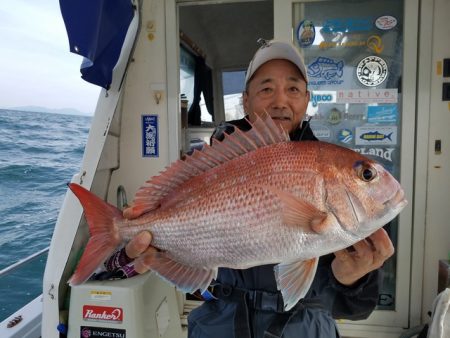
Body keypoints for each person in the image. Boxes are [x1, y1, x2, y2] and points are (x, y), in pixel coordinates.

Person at [107, 39, 395, 337]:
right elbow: (134, 262)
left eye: (293, 89)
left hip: (303, 326)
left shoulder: (330, 164)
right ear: (246, 100)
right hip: (223, 322)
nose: (280, 101)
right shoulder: (215, 161)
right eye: (266, 89)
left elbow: (357, 308)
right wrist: (129, 256)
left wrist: (353, 281)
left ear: (307, 99)